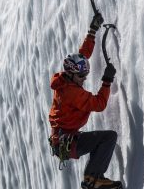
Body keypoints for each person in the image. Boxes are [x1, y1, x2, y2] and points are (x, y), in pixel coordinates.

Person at [48, 13, 122, 189]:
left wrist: (92, 30)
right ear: (73, 74)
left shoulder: (65, 79)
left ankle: (91, 178)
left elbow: (82, 56)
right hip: (67, 141)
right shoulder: (71, 92)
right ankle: (93, 179)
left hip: (63, 140)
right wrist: (107, 81)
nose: (84, 79)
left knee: (99, 141)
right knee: (108, 137)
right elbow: (99, 104)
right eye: (82, 76)